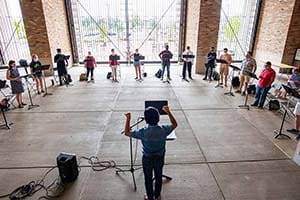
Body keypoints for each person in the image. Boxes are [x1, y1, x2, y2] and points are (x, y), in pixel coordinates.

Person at [124, 106, 178, 200]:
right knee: (158, 177)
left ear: (146, 120)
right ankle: (157, 195)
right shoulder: (163, 129)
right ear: (158, 118)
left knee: (148, 179)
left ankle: (149, 197)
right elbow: (174, 124)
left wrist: (128, 119)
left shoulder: (143, 132)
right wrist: (168, 111)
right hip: (159, 157)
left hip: (147, 158)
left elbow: (127, 132)